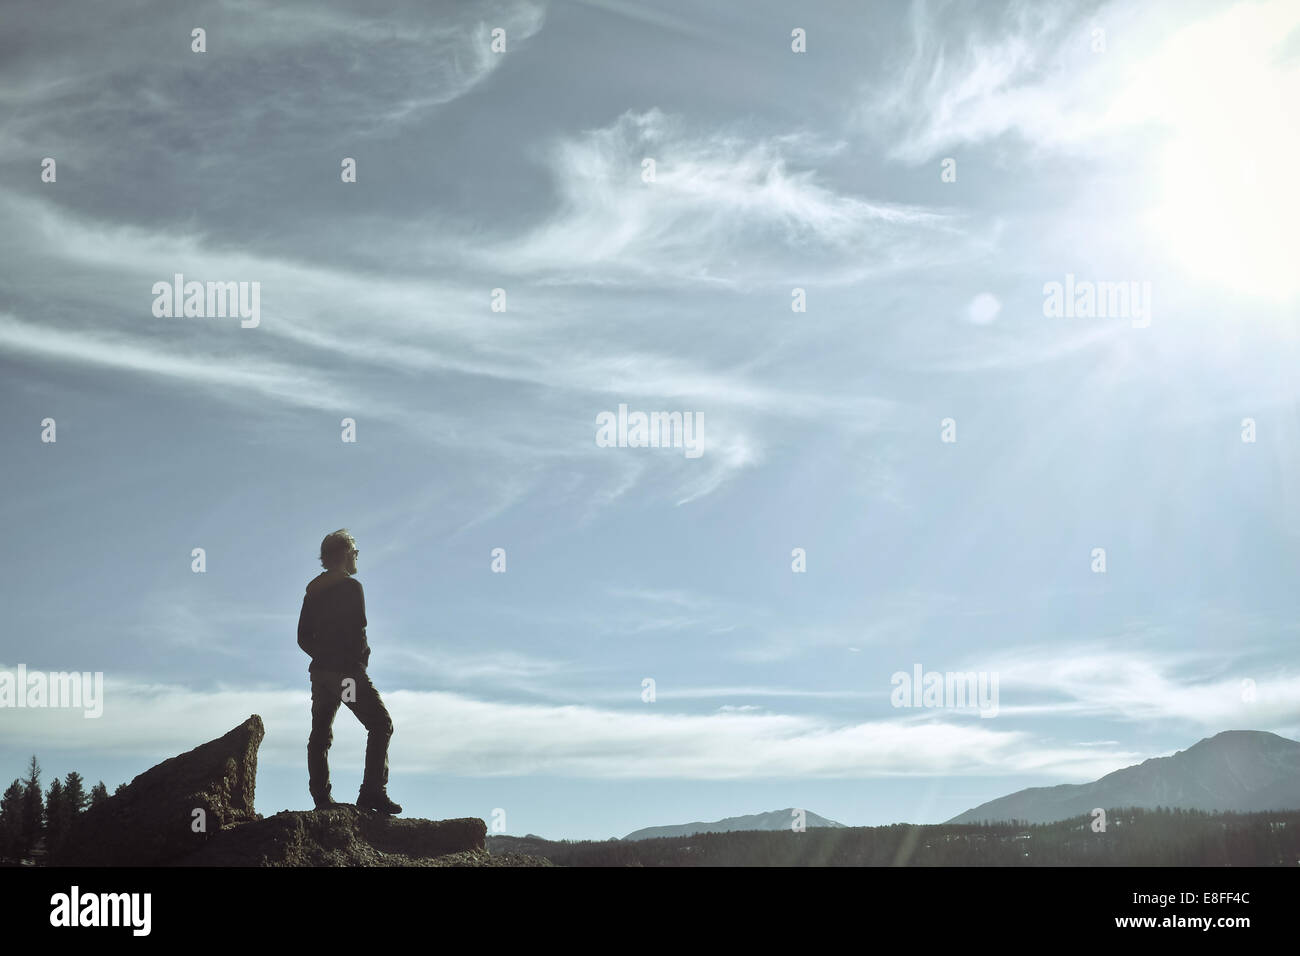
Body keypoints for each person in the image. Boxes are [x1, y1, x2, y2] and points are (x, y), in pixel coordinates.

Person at [297, 529, 402, 814]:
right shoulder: (351, 588)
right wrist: (355, 661)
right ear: (344, 554)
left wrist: (323, 656)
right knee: (380, 724)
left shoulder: (312, 594)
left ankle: (321, 798)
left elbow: (302, 637)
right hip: (345, 674)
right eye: (355, 552)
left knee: (320, 735)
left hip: (320, 674)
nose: (357, 557)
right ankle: (372, 792)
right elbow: (358, 631)